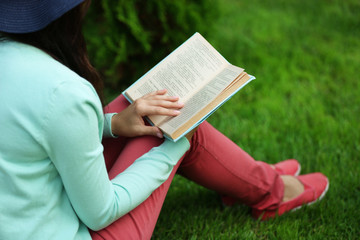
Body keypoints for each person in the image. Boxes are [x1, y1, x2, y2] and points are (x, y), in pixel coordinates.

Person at [0, 0, 329, 239]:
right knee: (172, 123)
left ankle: (252, 182)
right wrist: (176, 145)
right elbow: (99, 213)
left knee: (142, 110)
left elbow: (30, 128)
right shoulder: (65, 91)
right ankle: (268, 191)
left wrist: (112, 124)